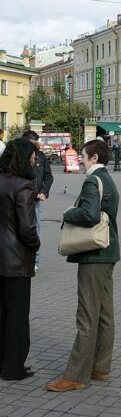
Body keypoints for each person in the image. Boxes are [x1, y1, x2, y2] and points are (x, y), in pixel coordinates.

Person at [47, 140, 120, 392]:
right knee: (104, 314)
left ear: (95, 158)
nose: (80, 160)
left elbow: (89, 215)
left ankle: (76, 375)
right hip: (108, 252)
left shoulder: (92, 181)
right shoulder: (108, 179)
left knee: (87, 314)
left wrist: (68, 213)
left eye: (84, 156)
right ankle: (100, 366)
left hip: (93, 255)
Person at [0, 139, 40, 380]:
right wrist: (36, 246)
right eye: (33, 158)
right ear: (24, 159)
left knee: (2, 313)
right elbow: (27, 229)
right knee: (16, 314)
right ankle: (13, 366)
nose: (34, 162)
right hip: (15, 260)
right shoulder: (23, 187)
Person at [21, 130, 53, 272]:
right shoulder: (18, 157)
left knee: (35, 229)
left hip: (35, 200)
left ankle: (35, 261)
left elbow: (48, 176)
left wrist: (44, 191)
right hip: (20, 198)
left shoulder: (40, 156)